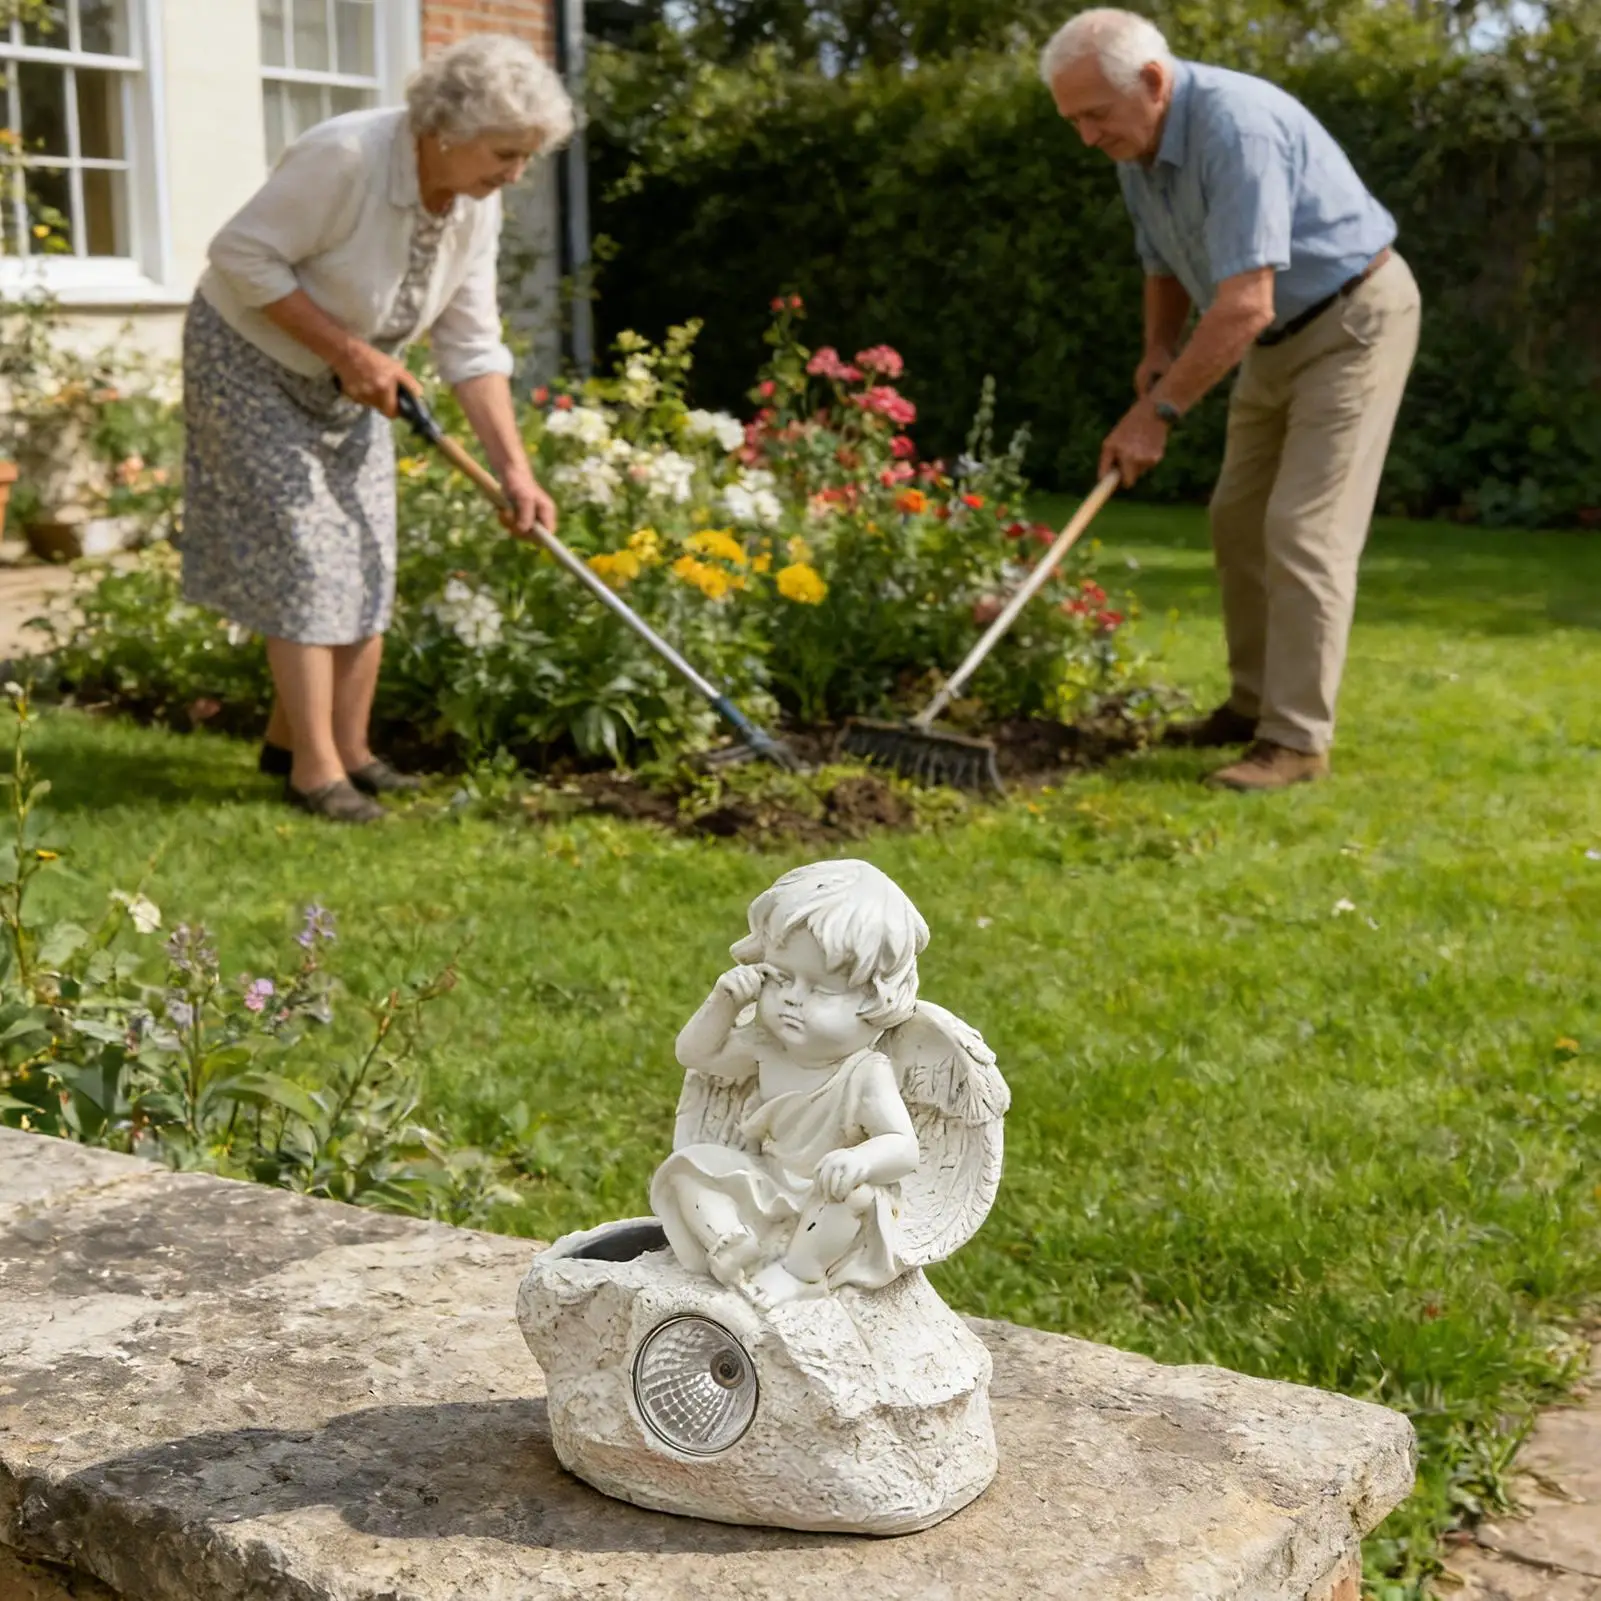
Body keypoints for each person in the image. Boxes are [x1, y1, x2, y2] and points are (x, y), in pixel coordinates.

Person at [183, 35, 571, 822]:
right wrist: (349, 352)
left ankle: (341, 748)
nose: (515, 174)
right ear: (446, 132)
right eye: (505, 154)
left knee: (364, 548)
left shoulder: (475, 204)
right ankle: (313, 773)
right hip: (250, 360)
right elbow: (239, 255)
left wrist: (515, 471)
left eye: (526, 158)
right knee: (303, 550)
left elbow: (471, 345)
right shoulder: (348, 156)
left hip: (353, 375)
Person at [1040, 10, 1421, 790]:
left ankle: (1295, 740)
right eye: (1071, 120)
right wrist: (1158, 350)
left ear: (1152, 81)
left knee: (1303, 528)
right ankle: (1250, 707)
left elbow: (1245, 301)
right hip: (1270, 337)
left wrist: (1156, 414)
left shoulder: (1236, 128)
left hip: (1351, 321)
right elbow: (1163, 262)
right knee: (1236, 518)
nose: (1084, 137)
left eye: (1094, 115)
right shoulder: (1134, 148)